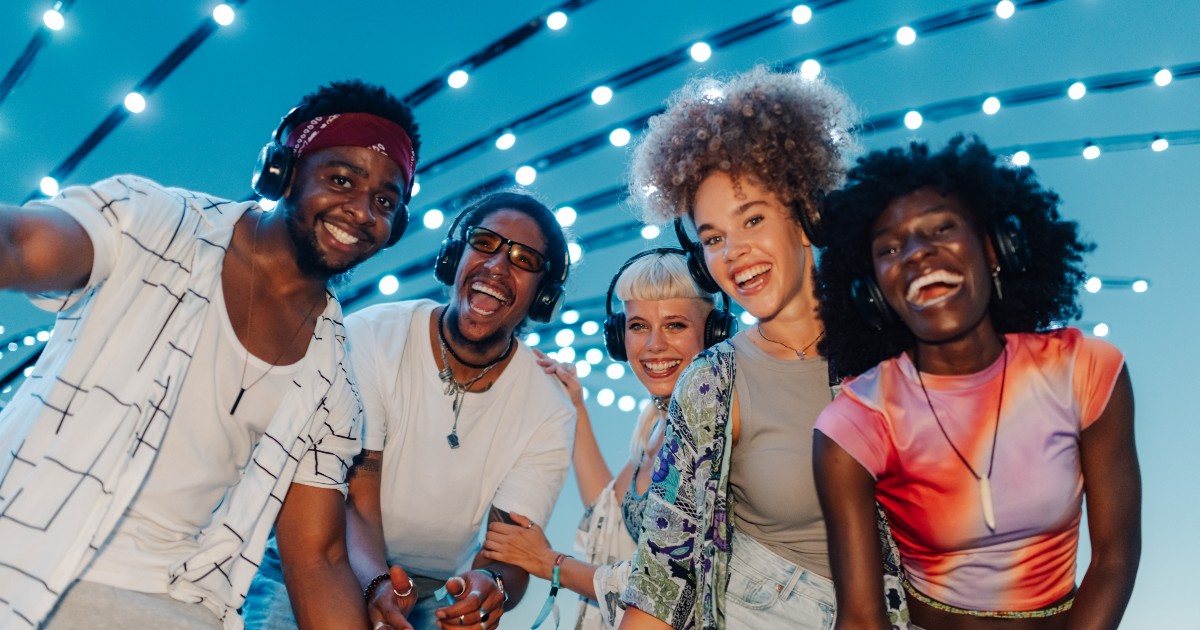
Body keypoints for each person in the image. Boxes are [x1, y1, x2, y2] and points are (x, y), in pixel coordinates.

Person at [0, 79, 421, 629]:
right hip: (24, 554)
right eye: (341, 179)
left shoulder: (333, 382)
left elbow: (319, 560)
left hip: (176, 605)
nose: (362, 211)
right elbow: (21, 244)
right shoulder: (154, 223)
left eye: (385, 202)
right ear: (282, 171)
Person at [812, 136, 1141, 629]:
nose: (919, 254)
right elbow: (861, 618)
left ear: (994, 248)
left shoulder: (1087, 371)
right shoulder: (855, 421)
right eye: (891, 247)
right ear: (873, 292)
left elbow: (1115, 555)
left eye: (942, 228)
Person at [614, 66, 902, 630]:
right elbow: (661, 573)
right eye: (714, 238)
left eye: (753, 218)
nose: (735, 253)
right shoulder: (712, 381)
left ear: (803, 215)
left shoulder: (897, 348)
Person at [243, 191, 577, 630]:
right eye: (484, 243)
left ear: (543, 297)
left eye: (524, 260)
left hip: (430, 595)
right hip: (318, 558)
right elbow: (353, 501)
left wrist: (487, 585)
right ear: (453, 258)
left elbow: (508, 548)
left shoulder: (548, 405)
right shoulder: (373, 337)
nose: (497, 266)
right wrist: (378, 583)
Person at [481, 249, 731, 629]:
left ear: (713, 332)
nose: (654, 346)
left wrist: (549, 563)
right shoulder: (661, 423)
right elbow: (611, 512)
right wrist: (576, 408)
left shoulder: (714, 428)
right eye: (638, 326)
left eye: (675, 325)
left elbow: (670, 585)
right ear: (618, 336)